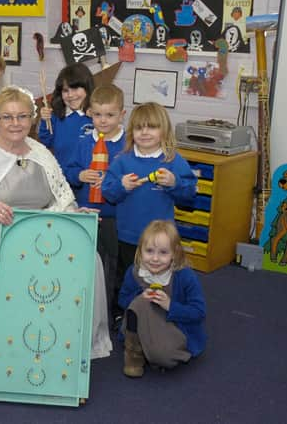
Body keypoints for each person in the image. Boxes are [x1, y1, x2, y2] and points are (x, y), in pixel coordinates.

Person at [0, 85, 112, 359]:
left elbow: (61, 199)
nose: (15, 124)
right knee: (8, 258)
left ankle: (63, 336)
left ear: (32, 119)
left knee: (87, 257)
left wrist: (75, 216)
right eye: (7, 117)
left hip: (41, 228)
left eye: (22, 116)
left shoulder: (40, 152)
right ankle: (12, 337)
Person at [101, 101, 197, 328]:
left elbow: (189, 195)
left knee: (163, 276)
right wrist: (122, 186)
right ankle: (121, 311)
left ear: (163, 130)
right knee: (126, 277)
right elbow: (109, 193)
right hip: (128, 234)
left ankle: (160, 310)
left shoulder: (172, 160)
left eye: (151, 127)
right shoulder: (122, 161)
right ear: (131, 131)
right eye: (139, 127)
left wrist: (175, 183)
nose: (144, 133)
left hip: (161, 239)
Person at [64, 84, 126, 325]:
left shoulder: (126, 146)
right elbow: (68, 171)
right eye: (98, 114)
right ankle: (84, 308)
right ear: (90, 113)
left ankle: (112, 310)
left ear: (122, 115)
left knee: (114, 264)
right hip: (86, 212)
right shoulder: (84, 142)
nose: (103, 120)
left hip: (115, 215)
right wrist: (80, 175)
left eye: (110, 115)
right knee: (86, 262)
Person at [118, 220, 206, 377]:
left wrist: (170, 305)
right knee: (139, 302)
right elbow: (122, 300)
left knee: (164, 357)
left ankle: (152, 350)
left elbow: (199, 312)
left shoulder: (185, 276)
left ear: (175, 253)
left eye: (163, 252)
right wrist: (139, 297)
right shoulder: (135, 272)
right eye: (149, 251)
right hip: (140, 325)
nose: (155, 259)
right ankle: (134, 355)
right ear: (140, 251)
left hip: (173, 326)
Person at [38, 62, 95, 170]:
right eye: (65, 90)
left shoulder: (96, 117)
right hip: (62, 177)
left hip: (88, 180)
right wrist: (45, 120)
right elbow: (47, 142)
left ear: (87, 88)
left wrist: (97, 116)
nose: (70, 95)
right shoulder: (57, 115)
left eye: (75, 89)